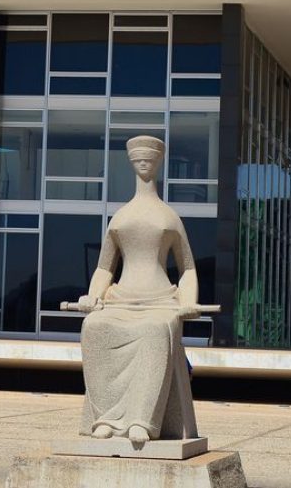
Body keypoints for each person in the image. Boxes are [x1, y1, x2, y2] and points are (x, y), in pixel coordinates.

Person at [74, 135, 201, 443]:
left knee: (156, 330)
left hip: (160, 303)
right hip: (121, 299)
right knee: (94, 326)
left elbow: (187, 268)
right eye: (139, 160)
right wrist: (93, 295)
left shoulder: (168, 216)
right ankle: (105, 418)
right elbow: (105, 268)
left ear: (158, 163)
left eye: (150, 159)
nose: (144, 164)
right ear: (132, 163)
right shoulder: (120, 216)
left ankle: (141, 421)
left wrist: (188, 301)